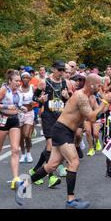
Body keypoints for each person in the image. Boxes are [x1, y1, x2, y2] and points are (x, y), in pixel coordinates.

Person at [17, 74, 111, 208]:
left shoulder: (90, 97)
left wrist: (107, 101)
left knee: (51, 165)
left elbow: (97, 114)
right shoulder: (80, 96)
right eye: (99, 85)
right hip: (62, 130)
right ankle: (70, 200)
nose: (101, 88)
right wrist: (105, 102)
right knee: (74, 161)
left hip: (67, 131)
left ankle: (24, 184)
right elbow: (91, 118)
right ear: (92, 85)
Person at [30, 60, 70, 188]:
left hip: (60, 117)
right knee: (50, 144)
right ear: (53, 69)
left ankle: (35, 170)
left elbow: (64, 99)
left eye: (63, 70)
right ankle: (51, 177)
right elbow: (34, 98)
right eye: (59, 70)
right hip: (48, 117)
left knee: (51, 148)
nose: (62, 72)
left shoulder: (64, 82)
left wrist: (66, 97)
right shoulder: (44, 82)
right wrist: (40, 100)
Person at [19, 72, 36, 163]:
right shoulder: (18, 89)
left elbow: (37, 98)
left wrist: (34, 102)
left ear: (30, 79)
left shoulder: (32, 88)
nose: (25, 79)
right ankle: (23, 154)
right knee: (21, 136)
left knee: (27, 135)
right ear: (21, 79)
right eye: (24, 77)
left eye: (27, 77)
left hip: (29, 113)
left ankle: (28, 152)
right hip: (20, 113)